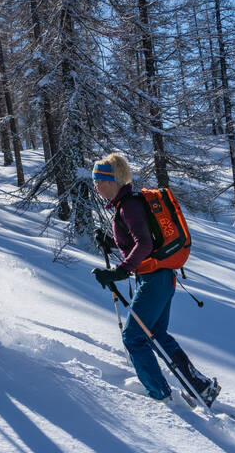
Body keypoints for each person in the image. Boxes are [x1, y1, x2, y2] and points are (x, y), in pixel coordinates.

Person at [91, 153, 219, 405]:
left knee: (133, 337)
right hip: (158, 277)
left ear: (112, 181)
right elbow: (138, 243)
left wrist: (120, 270)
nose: (96, 186)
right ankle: (200, 386)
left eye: (99, 181)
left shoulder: (128, 205)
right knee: (156, 333)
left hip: (154, 279)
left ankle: (159, 397)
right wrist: (111, 244)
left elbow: (145, 244)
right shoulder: (125, 204)